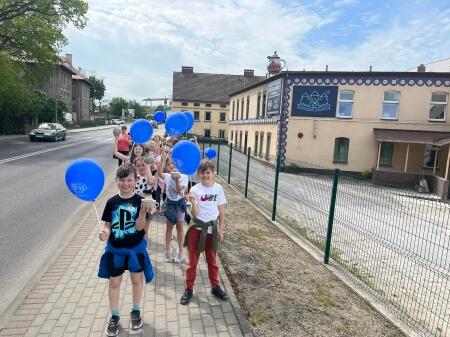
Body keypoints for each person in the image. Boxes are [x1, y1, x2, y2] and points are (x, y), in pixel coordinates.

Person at [98, 163, 154, 336]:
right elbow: (108, 225)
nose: (126, 183)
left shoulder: (141, 201)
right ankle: (114, 316)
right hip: (116, 250)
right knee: (114, 283)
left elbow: (139, 228)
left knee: (136, 280)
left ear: (136, 181)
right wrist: (105, 233)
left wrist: (143, 213)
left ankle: (136, 311)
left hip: (134, 250)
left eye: (129, 179)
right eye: (122, 180)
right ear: (117, 181)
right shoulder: (111, 202)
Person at [180, 159, 228, 305]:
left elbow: (221, 210)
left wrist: (220, 229)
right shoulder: (195, 190)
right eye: (203, 172)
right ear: (198, 174)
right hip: (197, 229)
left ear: (213, 173)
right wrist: (193, 203)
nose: (206, 175)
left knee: (212, 261)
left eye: (208, 172)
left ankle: (215, 286)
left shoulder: (218, 188)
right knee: (192, 262)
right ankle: (188, 289)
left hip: (212, 230)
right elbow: (194, 214)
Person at [157, 154, 188, 263]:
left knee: (180, 227)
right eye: (169, 164)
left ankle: (180, 252)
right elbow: (159, 173)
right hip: (170, 204)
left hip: (179, 204)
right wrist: (161, 160)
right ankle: (167, 251)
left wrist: (176, 180)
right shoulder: (167, 175)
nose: (171, 165)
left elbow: (179, 191)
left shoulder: (184, 177)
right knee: (169, 227)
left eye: (173, 163)